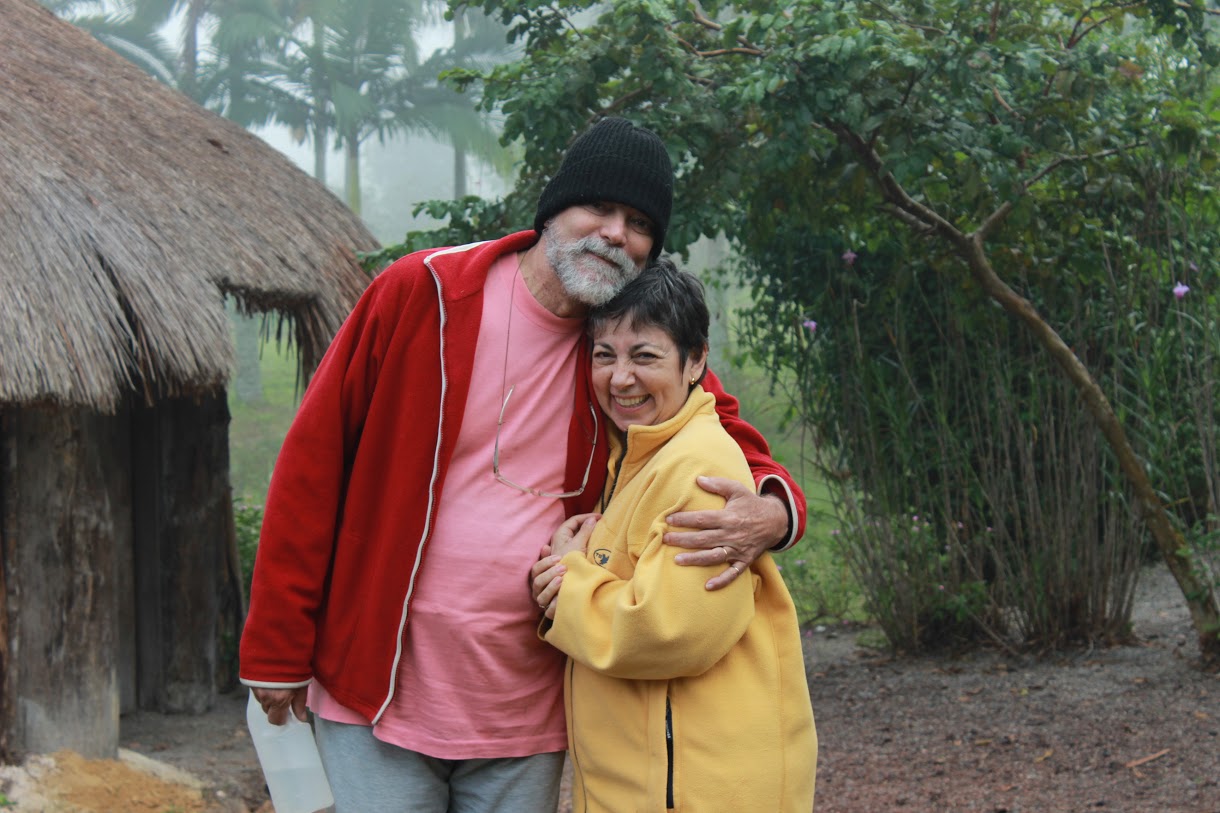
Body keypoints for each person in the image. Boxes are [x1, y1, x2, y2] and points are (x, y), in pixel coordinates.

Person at [239, 116, 807, 812]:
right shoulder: (426, 292)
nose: (615, 233)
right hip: (374, 686)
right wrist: (276, 647)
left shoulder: (626, 349)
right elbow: (313, 462)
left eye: (638, 224)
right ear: (554, 208)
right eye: (599, 207)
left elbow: (730, 436)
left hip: (526, 702)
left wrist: (774, 513)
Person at [532, 258, 817, 812]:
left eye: (645, 356)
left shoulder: (699, 467)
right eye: (604, 355)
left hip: (697, 786)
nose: (620, 378)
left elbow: (668, 632)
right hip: (652, 779)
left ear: (696, 362)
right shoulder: (635, 453)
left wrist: (566, 583)